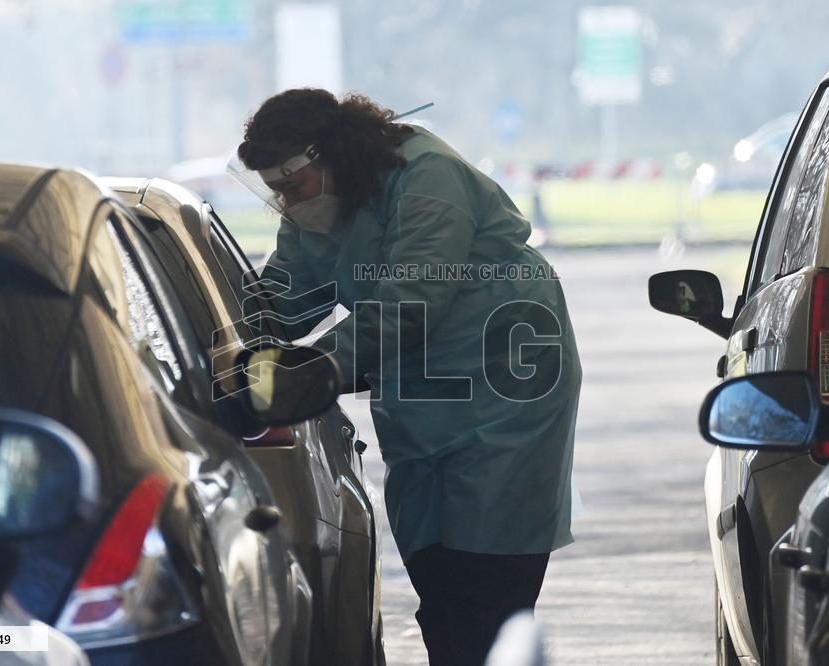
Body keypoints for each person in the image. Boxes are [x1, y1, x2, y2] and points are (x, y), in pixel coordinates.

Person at [235, 88, 582, 666]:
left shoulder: (427, 177)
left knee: (487, 585)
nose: (286, 204)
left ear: (330, 156)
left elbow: (411, 301)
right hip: (422, 398)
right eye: (276, 193)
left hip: (506, 391)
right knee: (438, 581)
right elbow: (285, 297)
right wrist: (226, 336)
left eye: (290, 187)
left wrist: (320, 367)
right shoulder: (318, 207)